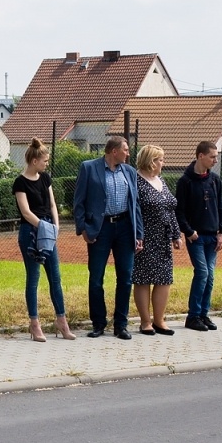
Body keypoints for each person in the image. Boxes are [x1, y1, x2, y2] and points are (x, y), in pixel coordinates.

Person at [74, 136, 143, 339]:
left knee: (125, 278)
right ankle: (98, 323)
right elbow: (79, 201)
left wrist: (139, 233)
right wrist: (83, 228)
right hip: (100, 228)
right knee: (96, 278)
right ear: (114, 151)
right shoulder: (89, 168)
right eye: (125, 150)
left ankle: (121, 325)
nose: (128, 154)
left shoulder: (129, 172)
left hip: (124, 228)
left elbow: (135, 204)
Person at [13, 139, 75, 341]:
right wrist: (43, 227)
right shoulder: (20, 182)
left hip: (48, 230)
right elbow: (25, 211)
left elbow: (53, 204)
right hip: (31, 232)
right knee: (33, 278)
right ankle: (34, 323)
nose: (46, 163)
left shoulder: (45, 178)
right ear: (33, 161)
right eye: (44, 161)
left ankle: (61, 321)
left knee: (55, 278)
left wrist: (55, 227)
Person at [131, 144, 183, 336]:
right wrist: (138, 236)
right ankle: (145, 322)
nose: (163, 163)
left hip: (163, 238)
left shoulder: (160, 180)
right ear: (151, 162)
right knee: (143, 279)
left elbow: (170, 209)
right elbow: (134, 211)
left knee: (164, 279)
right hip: (144, 239)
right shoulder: (136, 180)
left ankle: (159, 320)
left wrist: (176, 234)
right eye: (160, 159)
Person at [176, 141, 222, 332]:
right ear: (200, 156)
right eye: (212, 156)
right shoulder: (185, 182)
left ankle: (204, 314)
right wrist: (189, 231)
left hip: (213, 237)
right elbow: (179, 212)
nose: (215, 160)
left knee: (210, 276)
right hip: (196, 238)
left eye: (216, 157)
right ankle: (193, 316)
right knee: (202, 273)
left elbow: (221, 207)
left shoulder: (215, 180)